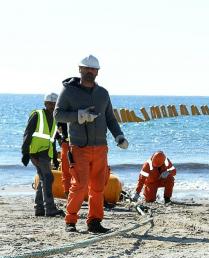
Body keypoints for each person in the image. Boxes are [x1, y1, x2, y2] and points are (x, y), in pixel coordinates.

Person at [55, 55, 129, 234]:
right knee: (79, 186)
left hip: (100, 148)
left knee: (98, 187)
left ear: (98, 72)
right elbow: (58, 115)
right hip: (79, 148)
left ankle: (94, 222)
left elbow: (110, 118)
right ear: (80, 69)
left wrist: (119, 136)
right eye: (86, 68)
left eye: (93, 69)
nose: (90, 71)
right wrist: (79, 115)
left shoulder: (103, 93)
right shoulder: (68, 92)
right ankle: (70, 221)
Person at [21, 93, 64, 218]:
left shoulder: (56, 118)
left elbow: (52, 138)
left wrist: (55, 157)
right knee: (48, 178)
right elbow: (27, 133)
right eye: (50, 104)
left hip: (46, 152)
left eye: (54, 104)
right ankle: (50, 208)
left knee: (43, 179)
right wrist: (25, 153)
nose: (52, 106)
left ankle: (39, 208)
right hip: (36, 152)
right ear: (45, 104)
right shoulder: (37, 115)